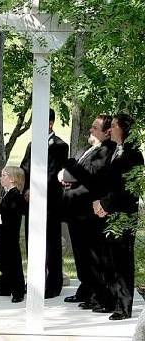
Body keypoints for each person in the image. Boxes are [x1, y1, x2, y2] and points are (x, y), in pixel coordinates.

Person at [59, 115, 115, 307]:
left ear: (107, 132)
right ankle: (87, 290)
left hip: (88, 212)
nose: (90, 130)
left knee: (92, 256)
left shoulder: (107, 150)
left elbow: (92, 178)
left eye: (95, 128)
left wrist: (70, 166)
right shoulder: (92, 149)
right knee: (81, 255)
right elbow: (81, 175)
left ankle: (99, 295)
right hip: (76, 211)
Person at [92, 114, 144, 320]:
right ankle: (112, 300)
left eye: (113, 126)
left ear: (123, 129)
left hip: (123, 216)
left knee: (123, 261)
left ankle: (124, 306)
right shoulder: (114, 151)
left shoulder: (134, 155)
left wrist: (106, 205)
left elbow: (128, 190)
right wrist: (98, 202)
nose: (110, 129)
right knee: (110, 259)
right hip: (108, 212)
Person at [20, 108, 69, 298]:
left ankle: (53, 284)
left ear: (50, 123)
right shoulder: (32, 145)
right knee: (31, 242)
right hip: (30, 202)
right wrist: (22, 188)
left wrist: (36, 190)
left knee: (51, 244)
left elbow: (53, 173)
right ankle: (33, 281)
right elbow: (25, 168)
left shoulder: (60, 146)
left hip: (50, 203)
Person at [0, 166, 26, 303]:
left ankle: (18, 291)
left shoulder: (16, 195)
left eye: (3, 175)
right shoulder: (8, 193)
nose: (1, 178)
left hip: (9, 235)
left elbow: (14, 216)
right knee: (3, 262)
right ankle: (4, 287)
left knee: (12, 263)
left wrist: (0, 218)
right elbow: (7, 213)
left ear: (12, 179)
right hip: (3, 234)